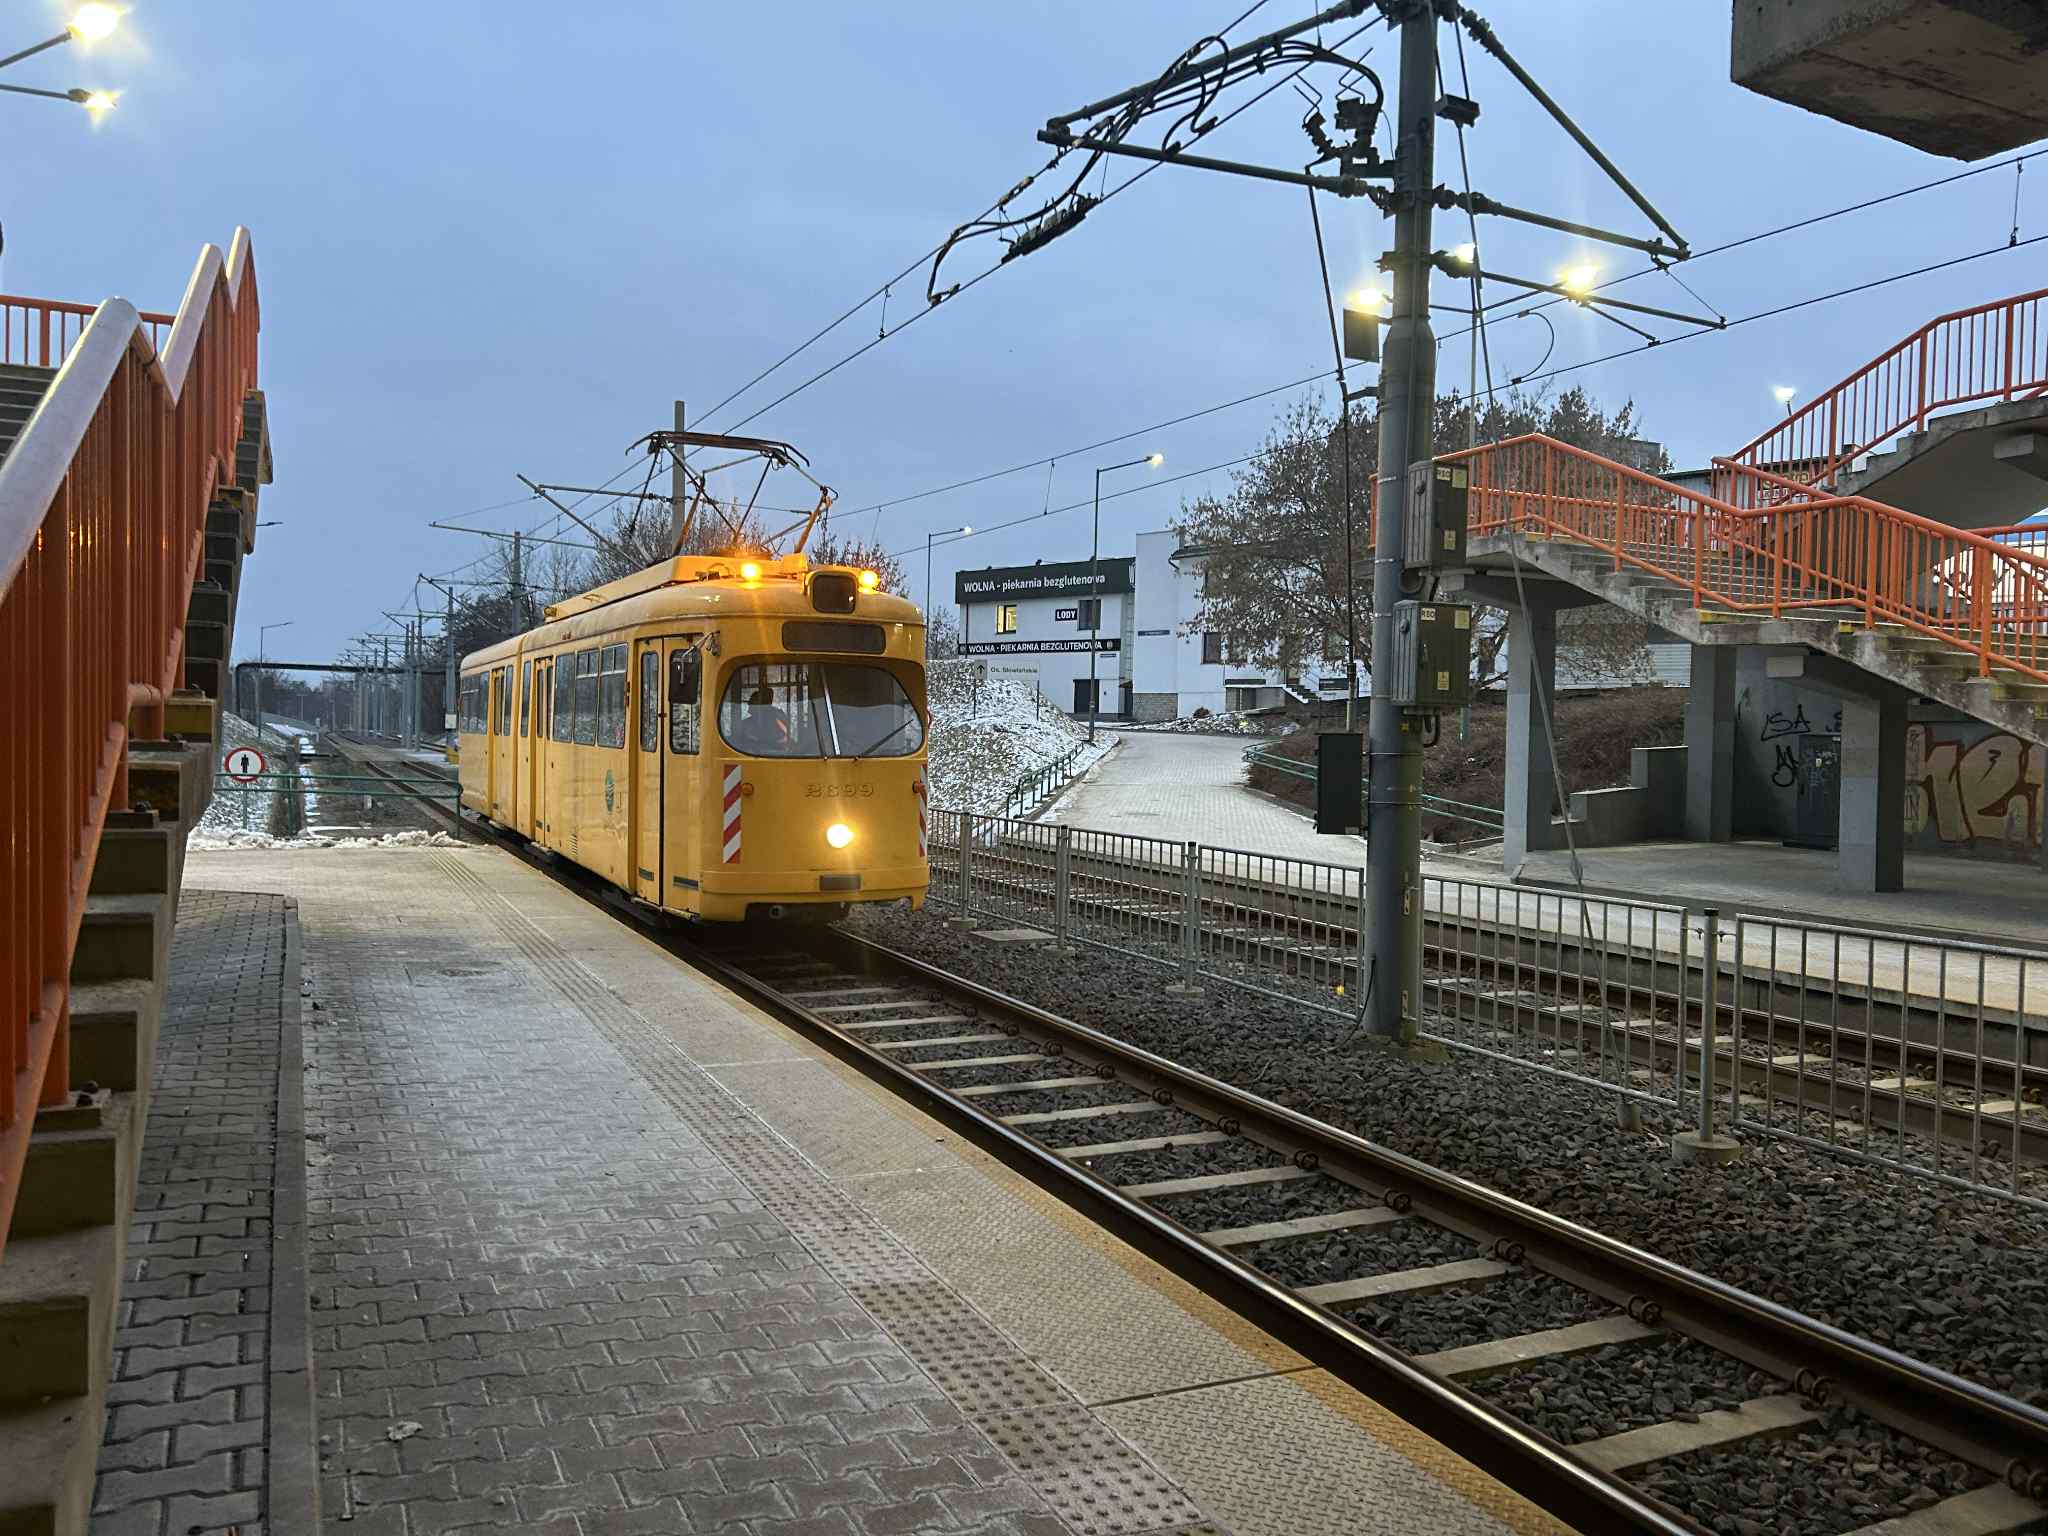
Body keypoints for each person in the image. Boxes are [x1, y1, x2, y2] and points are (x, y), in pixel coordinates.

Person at [734, 684, 791, 754]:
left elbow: (783, 738)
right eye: (750, 701)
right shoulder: (747, 722)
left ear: (761, 703)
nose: (749, 703)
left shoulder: (775, 717)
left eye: (752, 701)